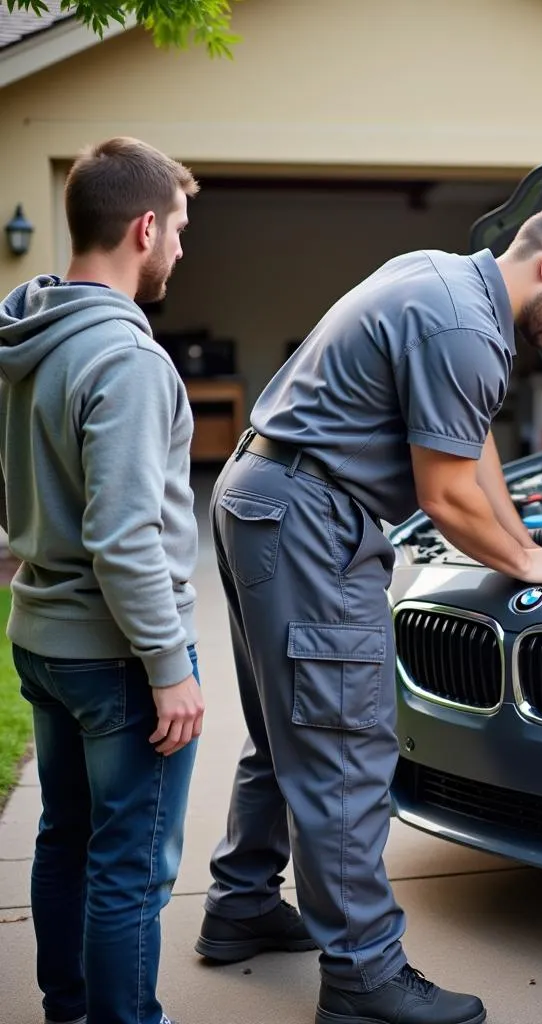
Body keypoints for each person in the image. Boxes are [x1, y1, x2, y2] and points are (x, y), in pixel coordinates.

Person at [195, 200, 542, 1024]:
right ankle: (364, 978)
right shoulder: (465, 330)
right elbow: (443, 495)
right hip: (310, 520)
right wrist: (521, 562)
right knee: (347, 746)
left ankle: (241, 904)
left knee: (287, 728)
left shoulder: (439, 281)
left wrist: (525, 538)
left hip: (261, 497)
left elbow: (472, 448)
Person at [0, 137, 205, 1024]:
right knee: (129, 865)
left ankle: (69, 1010)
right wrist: (171, 667)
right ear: (144, 227)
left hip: (44, 636)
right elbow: (125, 540)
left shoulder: (27, 337)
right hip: (118, 655)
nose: (182, 251)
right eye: (182, 230)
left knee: (67, 840)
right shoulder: (126, 358)